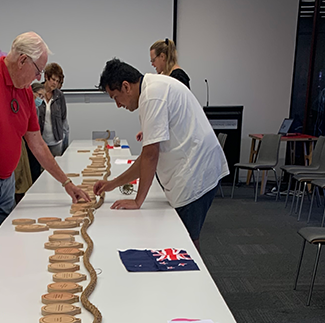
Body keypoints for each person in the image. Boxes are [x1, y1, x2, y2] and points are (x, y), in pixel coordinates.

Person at [0, 32, 90, 274]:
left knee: (5, 233)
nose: (39, 77)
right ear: (22, 61)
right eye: (38, 71)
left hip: (4, 179)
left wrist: (67, 183)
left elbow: (37, 143)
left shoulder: (24, 92)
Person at [95, 59, 227, 249]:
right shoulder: (152, 89)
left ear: (126, 87)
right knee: (183, 238)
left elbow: (150, 155)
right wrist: (112, 184)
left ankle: (191, 277)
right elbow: (145, 158)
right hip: (193, 166)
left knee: (186, 241)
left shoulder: (152, 96)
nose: (118, 104)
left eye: (115, 97)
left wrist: (138, 201)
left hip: (196, 172)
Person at [39, 62, 69, 156]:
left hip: (56, 141)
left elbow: (63, 117)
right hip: (41, 141)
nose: (55, 83)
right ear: (46, 77)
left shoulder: (60, 96)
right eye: (53, 79)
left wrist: (64, 139)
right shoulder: (36, 92)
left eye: (57, 81)